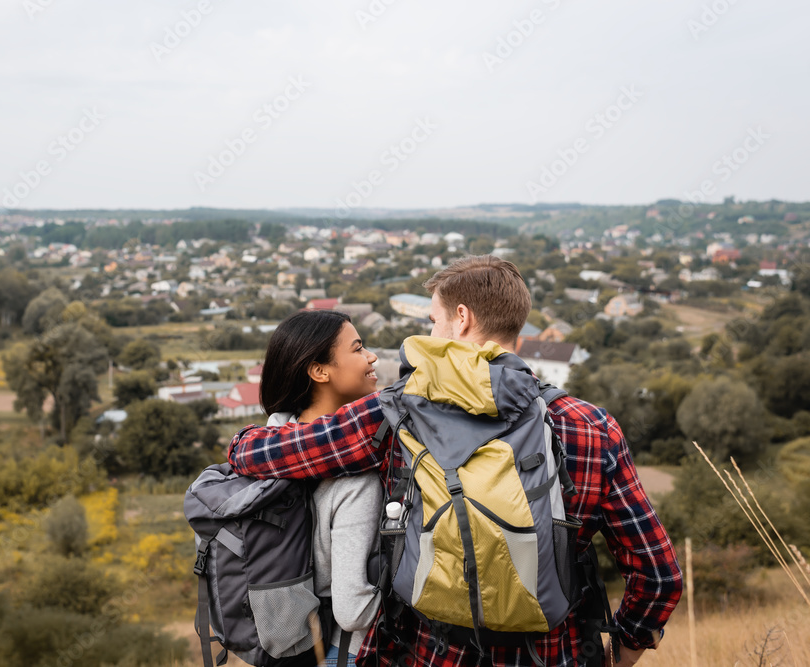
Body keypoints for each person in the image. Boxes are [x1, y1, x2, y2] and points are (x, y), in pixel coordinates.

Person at [230, 255, 683, 667]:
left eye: (433, 320)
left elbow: (266, 454)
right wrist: (616, 655)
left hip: (429, 655)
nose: (429, 333)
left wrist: (241, 441)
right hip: (553, 654)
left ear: (461, 319)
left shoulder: (392, 412)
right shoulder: (590, 427)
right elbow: (658, 575)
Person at [259, 310, 384, 667]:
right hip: (341, 652)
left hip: (285, 642)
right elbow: (353, 610)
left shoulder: (273, 443)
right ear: (319, 371)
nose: (371, 356)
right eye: (358, 349)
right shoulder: (354, 475)